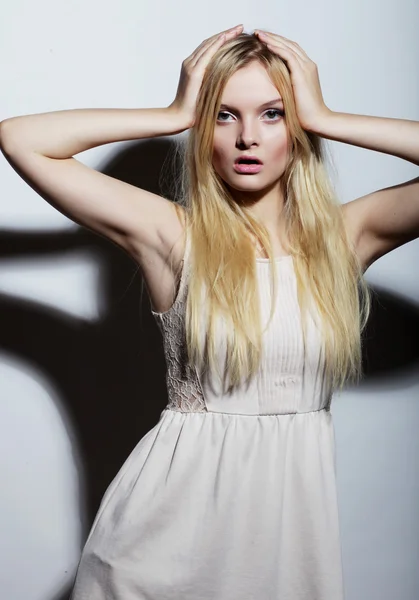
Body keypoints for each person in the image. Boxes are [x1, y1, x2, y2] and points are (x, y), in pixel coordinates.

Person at [2, 22, 419, 600]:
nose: (248, 136)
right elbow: (21, 137)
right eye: (225, 115)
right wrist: (172, 113)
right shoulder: (173, 236)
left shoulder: (348, 237)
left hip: (286, 547)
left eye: (273, 114)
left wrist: (327, 117)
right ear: (204, 129)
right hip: (158, 545)